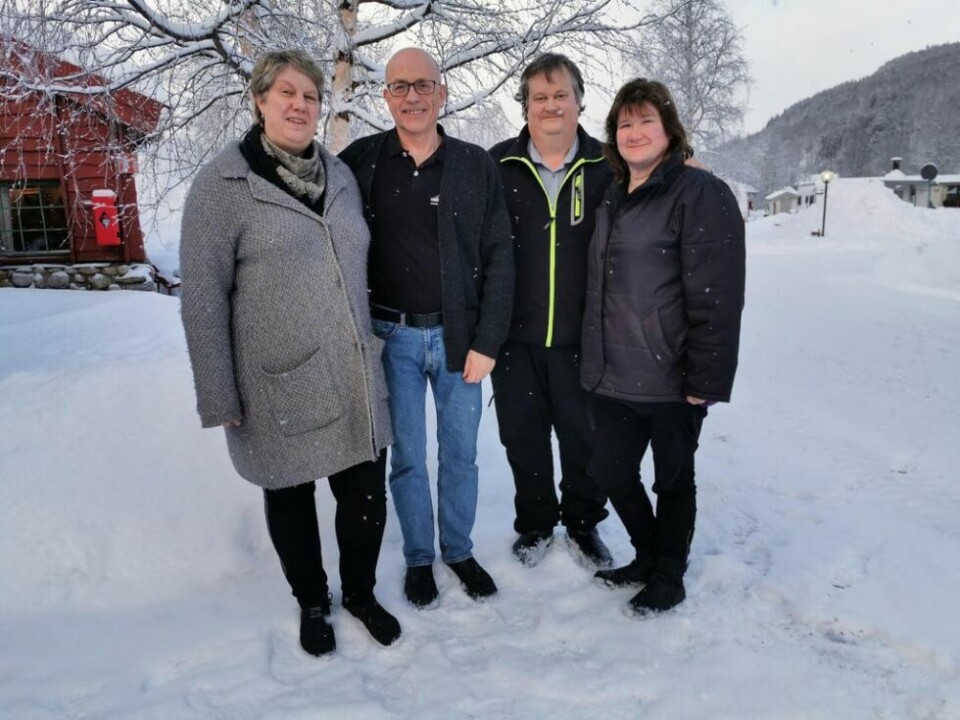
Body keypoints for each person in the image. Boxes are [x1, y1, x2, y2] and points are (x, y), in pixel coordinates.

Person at [179, 50, 401, 657]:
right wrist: (218, 391)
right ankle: (312, 600)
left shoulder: (341, 175)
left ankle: (359, 592)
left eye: (310, 96)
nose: (300, 106)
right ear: (260, 101)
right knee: (292, 495)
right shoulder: (222, 185)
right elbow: (201, 297)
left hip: (353, 369)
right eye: (287, 94)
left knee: (364, 495)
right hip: (278, 379)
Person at [339, 48, 514, 609]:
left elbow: (500, 254)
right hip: (392, 341)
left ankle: (458, 550)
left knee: (461, 455)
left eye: (422, 85)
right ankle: (419, 558)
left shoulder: (473, 164)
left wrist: (488, 341)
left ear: (442, 92)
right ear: (385, 95)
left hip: (461, 341)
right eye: (399, 86)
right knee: (409, 456)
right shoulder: (361, 161)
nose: (411, 96)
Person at [581, 78, 745, 616]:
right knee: (609, 471)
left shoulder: (700, 193)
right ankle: (647, 555)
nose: (634, 132)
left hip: (672, 375)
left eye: (646, 120)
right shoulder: (612, 192)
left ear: (669, 129)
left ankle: (669, 574)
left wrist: (706, 380)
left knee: (673, 479)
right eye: (625, 123)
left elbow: (717, 296)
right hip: (613, 372)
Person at [488, 53, 612, 569]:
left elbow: (662, 180)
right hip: (515, 337)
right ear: (525, 106)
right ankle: (537, 523)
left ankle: (583, 525)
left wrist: (687, 160)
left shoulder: (610, 166)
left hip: (585, 336)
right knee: (523, 436)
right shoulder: (497, 164)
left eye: (561, 95)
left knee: (585, 438)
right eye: (539, 97)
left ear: (580, 101)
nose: (551, 106)